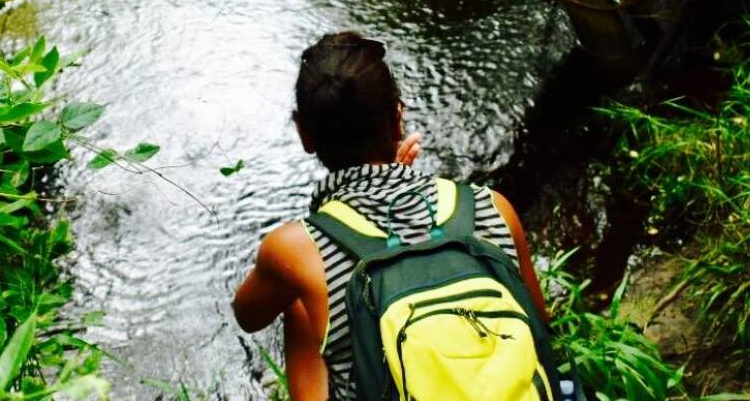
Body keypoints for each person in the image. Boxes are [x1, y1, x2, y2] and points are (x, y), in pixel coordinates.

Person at [232, 32, 555, 401]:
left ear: (304, 134)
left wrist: (330, 222)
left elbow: (248, 315)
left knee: (298, 299)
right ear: (397, 118)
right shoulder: (492, 206)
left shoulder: (294, 249)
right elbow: (541, 331)